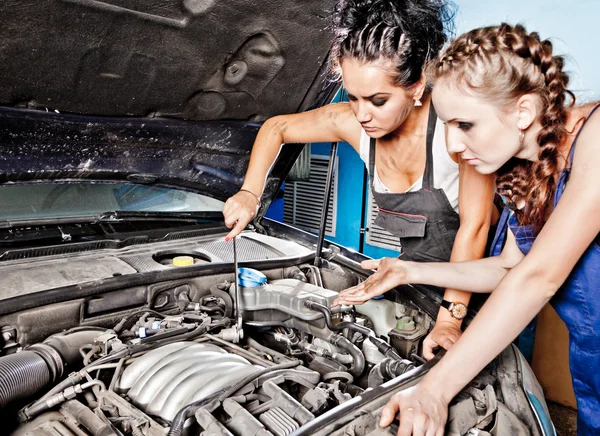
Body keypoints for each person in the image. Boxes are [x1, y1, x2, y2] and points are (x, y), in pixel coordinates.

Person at [335, 23, 600, 436]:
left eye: (465, 125)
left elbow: (538, 278)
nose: (454, 146)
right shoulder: (528, 173)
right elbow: (508, 267)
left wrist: (434, 391)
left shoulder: (597, 137)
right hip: (592, 364)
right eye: (446, 125)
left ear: (524, 112)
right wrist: (410, 271)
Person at [222, 0, 497, 359]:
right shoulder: (353, 123)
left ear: (415, 88)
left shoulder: (455, 131)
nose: (362, 114)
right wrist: (249, 192)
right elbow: (278, 127)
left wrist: (450, 319)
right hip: (415, 277)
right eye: (353, 97)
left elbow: (474, 230)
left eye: (378, 100)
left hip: (480, 283)